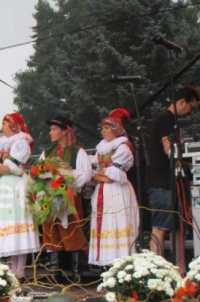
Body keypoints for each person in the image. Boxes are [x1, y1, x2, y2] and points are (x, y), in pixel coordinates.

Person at [146, 85, 199, 268]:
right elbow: (170, 150)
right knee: (161, 227)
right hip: (162, 182)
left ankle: (179, 270)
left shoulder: (171, 121)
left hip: (172, 181)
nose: (192, 113)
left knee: (178, 228)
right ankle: (158, 271)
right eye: (191, 108)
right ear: (182, 101)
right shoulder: (166, 120)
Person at [39, 117, 91, 283]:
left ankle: (76, 273)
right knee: (51, 231)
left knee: (72, 232)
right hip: (50, 196)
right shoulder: (47, 153)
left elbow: (86, 174)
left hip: (70, 197)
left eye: (54, 129)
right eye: (51, 129)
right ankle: (55, 273)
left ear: (64, 131)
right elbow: (39, 172)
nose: (51, 132)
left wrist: (66, 180)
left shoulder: (78, 151)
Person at [0, 114, 39, 280]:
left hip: (16, 185)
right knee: (8, 224)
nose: (2, 127)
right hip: (4, 185)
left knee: (18, 222)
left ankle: (20, 270)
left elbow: (14, 168)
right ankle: (12, 269)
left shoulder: (21, 142)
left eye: (4, 124)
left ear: (13, 125)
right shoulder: (3, 144)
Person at [89, 115, 139, 266]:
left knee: (117, 223)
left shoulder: (122, 148)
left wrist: (99, 175)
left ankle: (120, 263)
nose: (103, 131)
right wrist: (100, 175)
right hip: (102, 191)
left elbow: (113, 176)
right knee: (104, 225)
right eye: (102, 128)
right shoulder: (101, 149)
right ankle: (105, 265)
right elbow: (93, 174)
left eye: (107, 128)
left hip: (117, 192)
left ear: (115, 129)